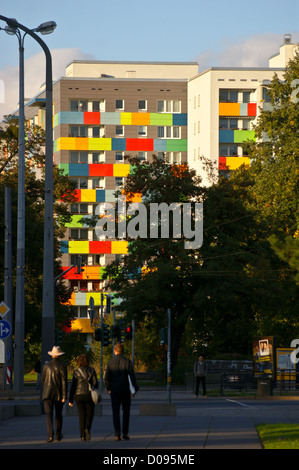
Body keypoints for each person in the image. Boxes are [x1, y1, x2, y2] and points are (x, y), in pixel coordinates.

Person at [104, 342, 139, 441]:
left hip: (114, 390)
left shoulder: (110, 362)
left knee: (115, 412)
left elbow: (107, 378)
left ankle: (117, 433)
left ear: (115, 351)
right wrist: (135, 388)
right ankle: (125, 432)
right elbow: (132, 376)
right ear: (122, 351)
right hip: (125, 390)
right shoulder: (127, 362)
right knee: (126, 412)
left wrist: (108, 388)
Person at [69, 353, 98, 441]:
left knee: (81, 415)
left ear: (78, 362)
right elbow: (95, 383)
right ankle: (87, 429)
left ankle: (82, 435)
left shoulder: (76, 372)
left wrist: (70, 399)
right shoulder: (92, 370)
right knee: (90, 414)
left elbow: (73, 386)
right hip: (89, 395)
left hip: (78, 395)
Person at [41, 345, 68, 442]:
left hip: (47, 393)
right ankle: (58, 434)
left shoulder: (46, 366)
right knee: (58, 414)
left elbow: (43, 381)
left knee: (48, 414)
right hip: (58, 394)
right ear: (60, 355)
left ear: (52, 355)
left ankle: (50, 435)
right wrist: (64, 395)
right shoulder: (63, 365)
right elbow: (64, 382)